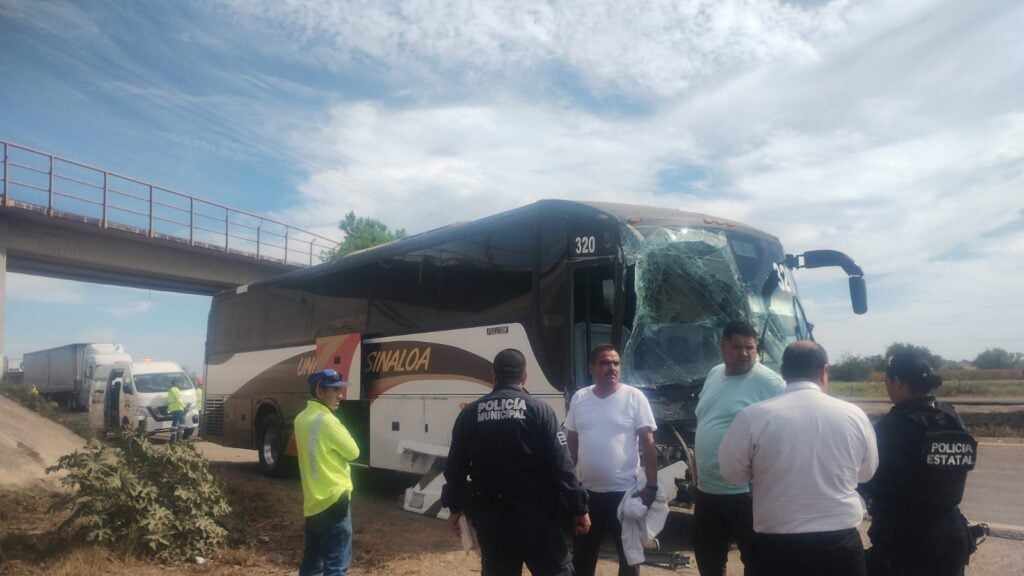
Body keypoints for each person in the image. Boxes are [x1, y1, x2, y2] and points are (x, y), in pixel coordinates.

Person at [718, 341, 878, 576]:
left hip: (776, 547)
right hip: (839, 544)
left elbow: (732, 475)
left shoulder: (753, 416)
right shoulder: (854, 415)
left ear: (783, 372)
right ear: (825, 371)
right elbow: (866, 473)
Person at [442, 348, 591, 576]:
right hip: (538, 518)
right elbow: (563, 464)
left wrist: (454, 507)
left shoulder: (470, 414)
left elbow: (455, 467)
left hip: (493, 520)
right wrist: (579, 506)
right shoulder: (540, 411)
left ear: (493, 376)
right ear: (524, 377)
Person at [859, 353, 978, 576]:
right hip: (952, 533)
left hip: (905, 538)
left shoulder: (892, 426)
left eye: (887, 381)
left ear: (898, 382)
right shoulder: (952, 417)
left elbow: (867, 477)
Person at [693, 320, 785, 576]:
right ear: (722, 347)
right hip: (707, 490)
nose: (744, 354)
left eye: (750, 348)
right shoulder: (714, 374)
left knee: (756, 559)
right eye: (737, 347)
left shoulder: (771, 383)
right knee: (708, 556)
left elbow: (787, 429)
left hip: (747, 493)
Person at [565, 344, 659, 576]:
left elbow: (648, 444)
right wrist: (569, 485)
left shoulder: (634, 397)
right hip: (588, 497)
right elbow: (572, 443)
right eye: (605, 363)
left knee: (630, 561)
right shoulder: (580, 398)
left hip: (625, 495)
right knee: (583, 559)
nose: (612, 368)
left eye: (616, 363)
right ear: (592, 368)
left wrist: (651, 486)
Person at [295, 368, 360, 576]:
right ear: (319, 390)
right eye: (334, 390)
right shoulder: (328, 421)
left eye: (340, 390)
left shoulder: (301, 419)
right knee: (336, 566)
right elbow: (353, 452)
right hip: (334, 501)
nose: (340, 395)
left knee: (312, 565)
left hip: (313, 503)